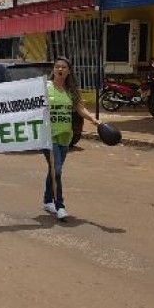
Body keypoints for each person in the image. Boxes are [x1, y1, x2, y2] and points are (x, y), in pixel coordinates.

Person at [43, 56, 100, 221]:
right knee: (57, 170)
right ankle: (60, 206)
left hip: (65, 136)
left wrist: (93, 120)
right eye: (57, 67)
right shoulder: (45, 88)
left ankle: (47, 200)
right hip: (48, 136)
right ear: (53, 70)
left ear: (68, 71)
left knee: (54, 170)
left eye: (64, 67)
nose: (60, 70)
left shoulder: (70, 90)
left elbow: (80, 108)